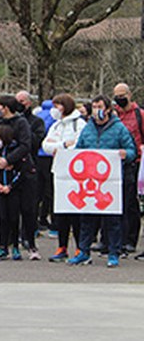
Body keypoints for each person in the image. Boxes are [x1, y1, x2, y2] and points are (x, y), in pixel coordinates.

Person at [68, 95, 136, 268]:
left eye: (100, 106)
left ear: (107, 109)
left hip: (110, 182)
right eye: (95, 106)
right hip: (89, 181)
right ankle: (83, 251)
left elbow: (132, 151)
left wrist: (124, 154)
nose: (97, 110)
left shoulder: (119, 129)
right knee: (86, 218)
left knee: (112, 220)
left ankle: (113, 253)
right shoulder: (87, 129)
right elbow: (79, 150)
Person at [0, 95, 40, 260]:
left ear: (6, 107)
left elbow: (25, 145)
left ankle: (31, 245)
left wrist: (9, 160)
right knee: (5, 213)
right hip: (4, 174)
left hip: (24, 172)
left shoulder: (21, 123)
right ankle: (3, 245)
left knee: (27, 210)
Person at [41, 93, 86, 262]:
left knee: (75, 211)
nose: (54, 110)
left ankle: (80, 248)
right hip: (58, 172)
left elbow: (78, 145)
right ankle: (62, 246)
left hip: (75, 174)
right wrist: (61, 145)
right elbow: (46, 145)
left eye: (57, 105)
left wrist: (62, 146)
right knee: (60, 211)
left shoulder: (79, 124)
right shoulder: (56, 125)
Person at [111, 83, 143, 256]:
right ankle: (114, 239)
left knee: (131, 202)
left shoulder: (140, 115)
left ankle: (131, 239)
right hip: (114, 163)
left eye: (122, 95)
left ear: (129, 95)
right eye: (117, 95)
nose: (119, 98)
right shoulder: (112, 114)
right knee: (116, 201)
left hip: (135, 161)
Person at [0, 124, 23, 261]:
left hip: (13, 190)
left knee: (14, 218)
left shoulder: (15, 151)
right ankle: (2, 247)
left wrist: (11, 186)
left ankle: (15, 246)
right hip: (0, 189)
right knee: (2, 219)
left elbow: (21, 171)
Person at [15, 91, 45, 250]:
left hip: (31, 166)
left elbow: (35, 142)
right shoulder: (10, 121)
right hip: (13, 166)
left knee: (30, 206)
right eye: (17, 101)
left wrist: (24, 128)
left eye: (22, 101)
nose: (20, 104)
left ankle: (28, 236)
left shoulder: (37, 122)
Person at [35, 99, 57, 236]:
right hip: (50, 156)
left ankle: (37, 222)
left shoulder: (37, 116)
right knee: (51, 191)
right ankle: (54, 224)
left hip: (38, 155)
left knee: (37, 191)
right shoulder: (55, 118)